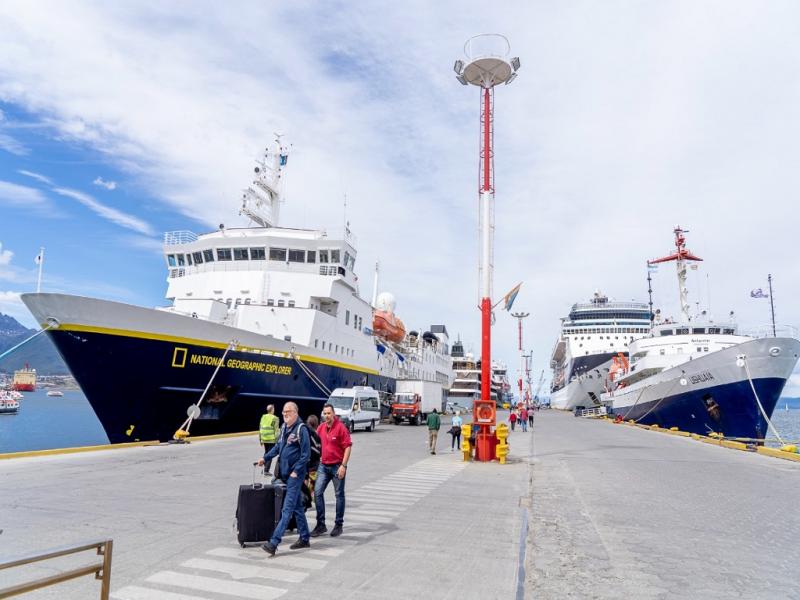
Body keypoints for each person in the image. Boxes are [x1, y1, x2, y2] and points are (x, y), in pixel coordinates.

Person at [257, 402, 311, 556]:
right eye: (283, 412)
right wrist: (264, 458)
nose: (285, 414)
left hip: (295, 476)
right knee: (297, 507)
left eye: (288, 411)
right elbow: (277, 448)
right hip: (285, 474)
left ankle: (274, 543)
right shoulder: (284, 429)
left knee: (286, 509)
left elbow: (305, 455)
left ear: (295, 413)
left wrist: (296, 471)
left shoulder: (301, 429)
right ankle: (305, 537)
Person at [311, 403, 352, 538]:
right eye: (325, 413)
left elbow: (347, 447)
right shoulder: (321, 428)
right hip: (323, 466)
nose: (327, 416)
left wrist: (343, 466)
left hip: (337, 466)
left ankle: (338, 525)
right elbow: (315, 443)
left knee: (339, 495)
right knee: (317, 493)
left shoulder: (341, 428)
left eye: (329, 413)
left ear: (334, 414)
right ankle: (321, 524)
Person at [259, 404, 279, 475]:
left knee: (266, 452)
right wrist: (277, 441)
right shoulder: (275, 418)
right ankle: (266, 471)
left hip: (264, 438)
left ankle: (264, 470)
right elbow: (276, 431)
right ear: (272, 410)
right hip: (271, 439)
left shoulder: (263, 417)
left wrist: (260, 439)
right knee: (270, 454)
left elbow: (260, 428)